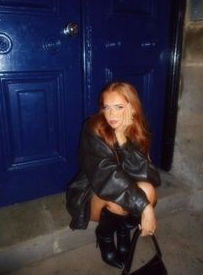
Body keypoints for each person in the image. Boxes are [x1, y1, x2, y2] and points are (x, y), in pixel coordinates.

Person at [66, 82, 161, 269]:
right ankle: (105, 237)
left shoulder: (136, 130)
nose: (111, 115)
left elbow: (151, 176)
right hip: (93, 193)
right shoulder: (93, 128)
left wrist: (122, 140)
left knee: (148, 190)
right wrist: (146, 209)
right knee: (124, 200)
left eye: (118, 107)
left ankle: (123, 231)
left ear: (132, 109)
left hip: (120, 189)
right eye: (107, 107)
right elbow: (108, 177)